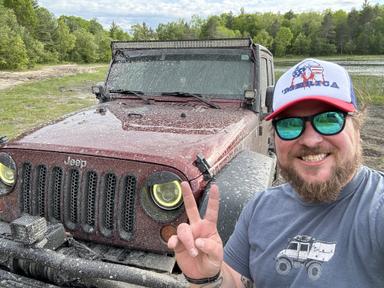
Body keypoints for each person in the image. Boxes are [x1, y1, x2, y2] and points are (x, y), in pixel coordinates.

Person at [167, 58, 384, 287]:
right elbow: (235, 281)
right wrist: (208, 278)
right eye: (290, 124)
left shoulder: (376, 210)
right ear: (275, 139)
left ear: (357, 129)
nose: (310, 140)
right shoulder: (261, 208)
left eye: (329, 119)